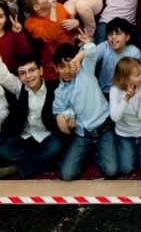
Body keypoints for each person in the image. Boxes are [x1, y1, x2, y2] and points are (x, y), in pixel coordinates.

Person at [0, 41, 66, 181]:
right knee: (2, 152)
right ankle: (44, 161)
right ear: (19, 77)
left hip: (47, 135)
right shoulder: (19, 88)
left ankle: (17, 168)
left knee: (56, 147)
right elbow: (3, 76)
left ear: (41, 71)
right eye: (23, 73)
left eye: (32, 70)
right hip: (26, 136)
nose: (28, 76)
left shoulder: (55, 88)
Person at [52, 38, 119, 181]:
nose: (67, 71)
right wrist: (62, 117)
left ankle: (95, 154)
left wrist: (78, 58)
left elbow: (92, 48)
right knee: (67, 174)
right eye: (62, 67)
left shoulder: (85, 70)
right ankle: (89, 152)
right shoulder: (59, 92)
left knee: (111, 171)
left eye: (70, 65)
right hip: (83, 134)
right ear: (56, 68)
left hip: (104, 128)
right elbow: (62, 110)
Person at [19, 0, 78, 82]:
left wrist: (76, 23)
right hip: (53, 70)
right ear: (37, 7)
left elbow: (72, 25)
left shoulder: (59, 6)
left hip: (72, 61)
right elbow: (51, 35)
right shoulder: (30, 23)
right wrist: (53, 9)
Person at [109, 57, 141, 174]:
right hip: (125, 135)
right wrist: (126, 99)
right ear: (126, 80)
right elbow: (115, 117)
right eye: (138, 74)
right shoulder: (115, 90)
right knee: (126, 169)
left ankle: (138, 154)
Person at [96, 18, 141, 96]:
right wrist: (88, 46)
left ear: (127, 37)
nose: (113, 37)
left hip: (125, 93)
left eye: (118, 33)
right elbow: (92, 56)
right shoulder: (105, 46)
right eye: (110, 34)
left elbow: (138, 76)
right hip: (104, 92)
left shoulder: (134, 52)